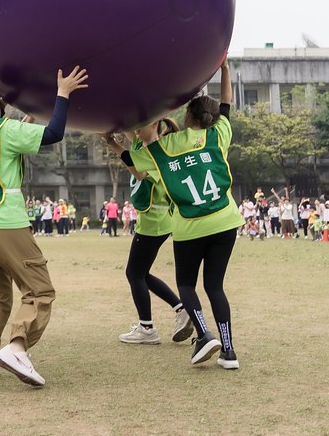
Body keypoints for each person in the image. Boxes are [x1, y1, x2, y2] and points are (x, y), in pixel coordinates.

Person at [0, 57, 88, 386]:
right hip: (3, 221)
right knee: (39, 290)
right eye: (0, 101)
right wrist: (63, 93)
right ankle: (17, 347)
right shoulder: (5, 130)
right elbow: (53, 133)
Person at [121, 59, 243, 370]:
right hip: (226, 220)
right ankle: (229, 352)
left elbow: (137, 151)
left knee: (187, 285)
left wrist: (148, 117)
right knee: (215, 286)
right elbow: (226, 105)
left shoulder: (164, 149)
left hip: (191, 228)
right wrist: (224, 69)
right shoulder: (219, 135)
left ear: (187, 116)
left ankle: (204, 335)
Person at [103, 118, 194, 345]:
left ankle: (147, 328)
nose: (134, 131)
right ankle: (181, 309)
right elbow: (129, 135)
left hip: (154, 220)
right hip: (159, 220)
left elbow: (139, 173)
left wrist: (111, 143)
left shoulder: (157, 152)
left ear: (153, 125)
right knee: (141, 273)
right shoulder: (142, 143)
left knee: (134, 273)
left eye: (138, 126)